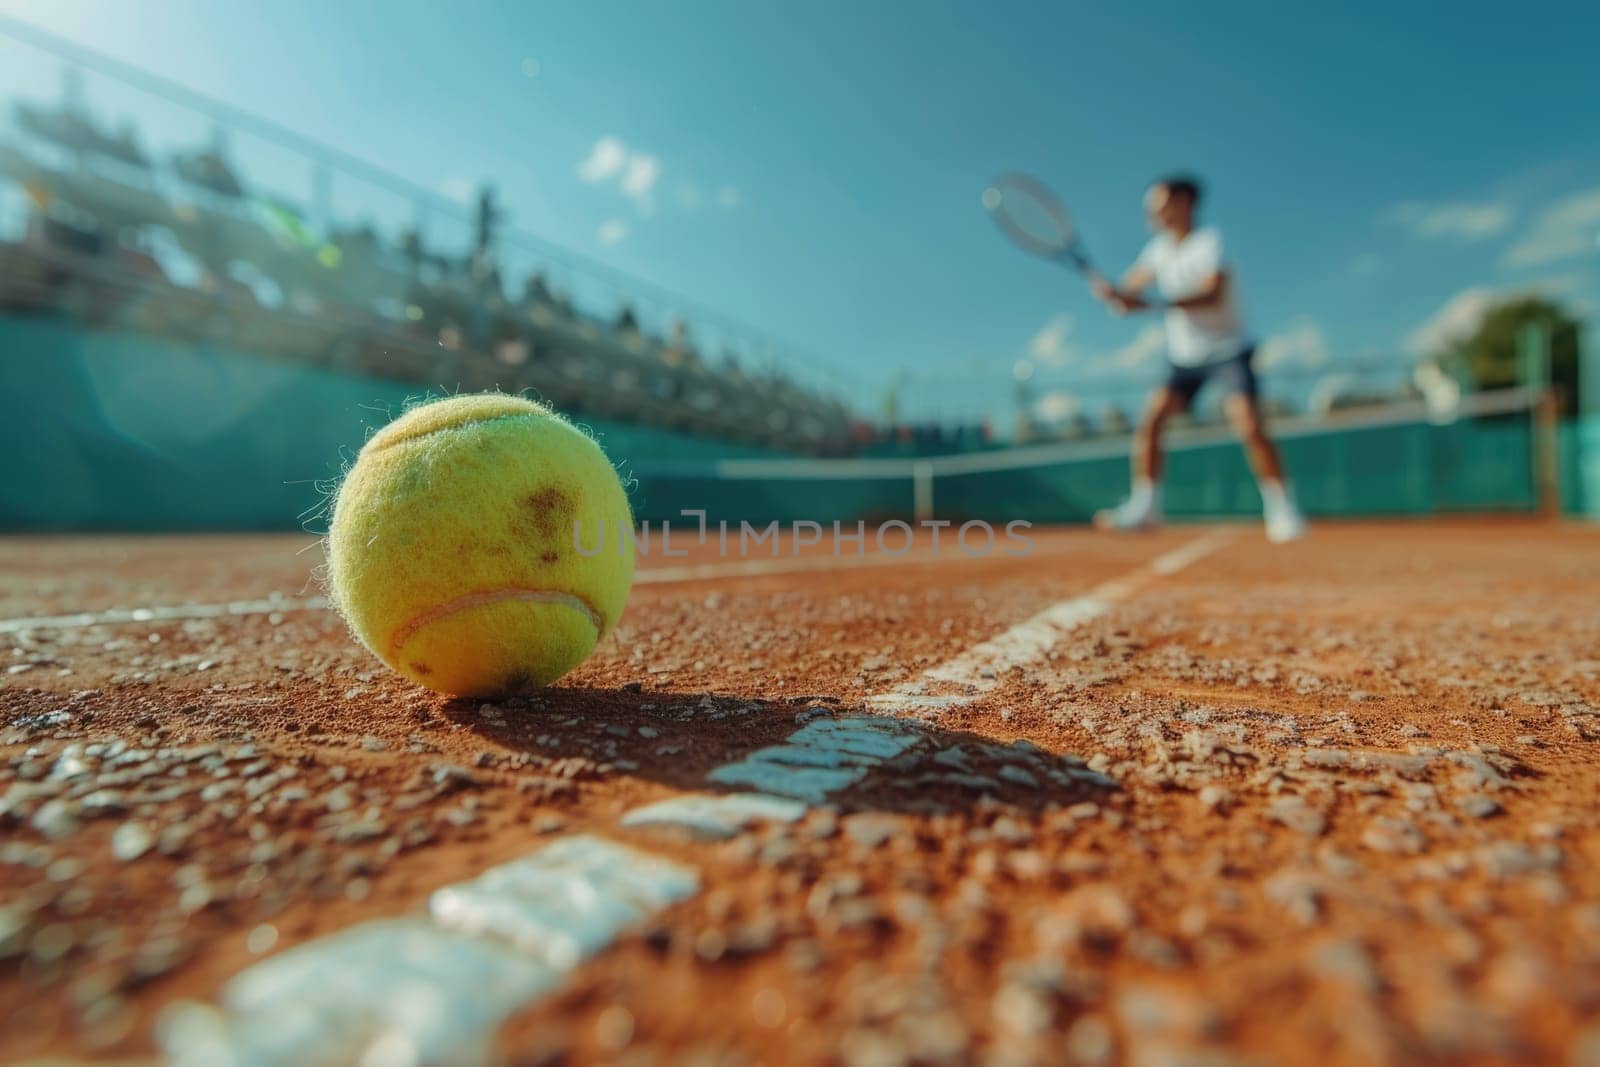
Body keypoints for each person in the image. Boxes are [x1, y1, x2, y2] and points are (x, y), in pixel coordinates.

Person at [1090, 174, 1306, 543]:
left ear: (1184, 203)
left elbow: (1212, 293)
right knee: (1153, 419)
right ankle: (1147, 509)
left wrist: (1150, 304)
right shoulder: (1157, 250)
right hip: (1184, 357)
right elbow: (1131, 287)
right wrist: (1116, 294)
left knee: (1249, 424)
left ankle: (1282, 509)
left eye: (1159, 205)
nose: (1152, 214)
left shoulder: (1210, 242)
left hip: (1229, 349)